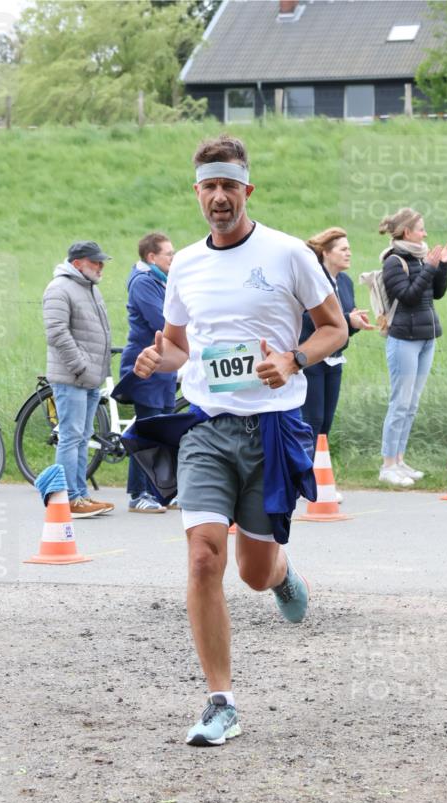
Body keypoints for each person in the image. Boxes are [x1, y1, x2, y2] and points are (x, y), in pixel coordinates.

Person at [133, 134, 346, 747]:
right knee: (204, 556)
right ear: (197, 193)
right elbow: (179, 345)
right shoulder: (185, 265)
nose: (219, 197)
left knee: (253, 572)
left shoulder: (288, 254)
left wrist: (294, 359)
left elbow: (334, 328)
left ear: (247, 190)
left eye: (230, 185)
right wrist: (157, 358)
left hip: (273, 427)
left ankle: (281, 575)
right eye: (209, 186)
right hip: (206, 426)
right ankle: (221, 702)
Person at [378, 208, 447, 486]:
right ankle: (388, 466)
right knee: (400, 403)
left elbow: (436, 293)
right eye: (421, 229)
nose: (425, 234)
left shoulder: (421, 257)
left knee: (412, 404)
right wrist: (429, 267)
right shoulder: (393, 261)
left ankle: (400, 461)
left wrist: (443, 265)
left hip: (427, 337)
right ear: (407, 232)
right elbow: (409, 296)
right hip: (404, 339)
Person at [300, 227, 375, 500]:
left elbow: (340, 326)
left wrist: (354, 324)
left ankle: (319, 478)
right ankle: (305, 481)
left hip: (334, 359)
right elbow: (309, 320)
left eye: (349, 248)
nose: (349, 253)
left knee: (326, 423)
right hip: (311, 359)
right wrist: (346, 319)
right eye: (343, 249)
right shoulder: (312, 280)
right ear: (326, 253)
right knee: (311, 421)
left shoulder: (345, 282)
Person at [43, 240, 115, 517]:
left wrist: (94, 371)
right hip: (72, 377)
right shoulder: (59, 288)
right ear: (77, 263)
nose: (101, 267)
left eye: (101, 262)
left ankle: (81, 495)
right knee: (71, 437)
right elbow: (56, 332)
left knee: (82, 437)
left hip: (89, 378)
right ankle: (68, 498)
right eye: (95, 262)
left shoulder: (89, 288)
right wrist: (81, 367)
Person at [120, 232, 178, 513]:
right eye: (169, 254)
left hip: (165, 367)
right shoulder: (143, 282)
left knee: (164, 430)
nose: (173, 258)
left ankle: (161, 491)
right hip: (146, 365)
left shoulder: (163, 281)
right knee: (147, 429)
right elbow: (162, 321)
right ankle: (138, 493)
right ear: (152, 257)